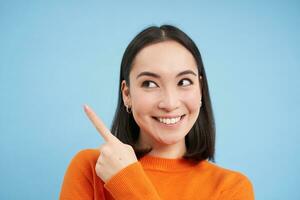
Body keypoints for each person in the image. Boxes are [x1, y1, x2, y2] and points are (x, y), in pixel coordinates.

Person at [59, 24, 254, 200]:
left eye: (184, 82)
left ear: (200, 88)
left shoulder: (232, 189)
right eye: (150, 84)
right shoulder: (92, 168)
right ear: (127, 94)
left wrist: (129, 184)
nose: (169, 103)